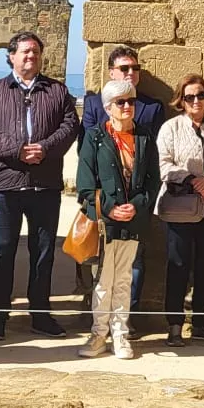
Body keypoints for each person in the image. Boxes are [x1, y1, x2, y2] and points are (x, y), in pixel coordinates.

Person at [0, 31, 78, 341]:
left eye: (35, 52)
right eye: (24, 52)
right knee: (1, 251)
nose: (30, 57)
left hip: (44, 185)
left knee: (43, 252)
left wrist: (45, 148)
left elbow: (70, 125)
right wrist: (19, 149)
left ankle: (40, 314)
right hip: (5, 185)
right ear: (10, 56)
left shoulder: (57, 91)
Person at [76, 78, 159, 359]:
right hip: (104, 223)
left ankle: (120, 334)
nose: (127, 106)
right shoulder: (95, 137)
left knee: (124, 279)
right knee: (103, 279)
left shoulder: (145, 137)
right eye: (120, 102)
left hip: (132, 221)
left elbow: (152, 182)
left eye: (131, 101)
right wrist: (111, 208)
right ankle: (99, 334)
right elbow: (85, 184)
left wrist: (136, 205)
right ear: (108, 107)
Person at [155, 73, 204, 346]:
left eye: (201, 95)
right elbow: (164, 164)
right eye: (190, 97)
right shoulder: (171, 128)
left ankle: (200, 322)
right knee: (178, 266)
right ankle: (174, 324)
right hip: (182, 207)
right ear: (181, 100)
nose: (196, 101)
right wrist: (191, 180)